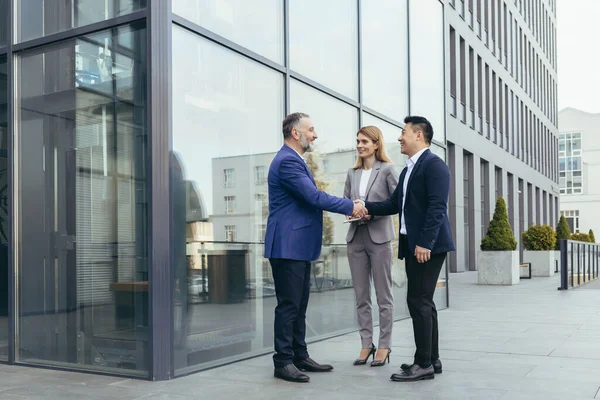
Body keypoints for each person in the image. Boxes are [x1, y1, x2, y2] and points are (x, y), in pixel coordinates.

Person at [264, 112, 368, 383]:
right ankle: (283, 361)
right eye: (311, 129)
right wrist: (351, 205)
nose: (315, 134)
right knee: (289, 306)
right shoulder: (287, 161)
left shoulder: (294, 160)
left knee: (298, 306)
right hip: (287, 246)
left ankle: (299, 355)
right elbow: (313, 196)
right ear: (295, 133)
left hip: (296, 246)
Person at [365, 116, 455, 382]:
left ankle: (423, 363)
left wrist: (425, 243)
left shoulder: (434, 165)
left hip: (428, 247)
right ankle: (431, 359)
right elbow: (394, 205)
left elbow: (437, 207)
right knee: (424, 302)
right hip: (415, 245)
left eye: (403, 132)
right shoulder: (408, 169)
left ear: (418, 135)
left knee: (418, 301)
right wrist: (365, 207)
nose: (399, 137)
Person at [343, 126, 399, 367]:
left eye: (365, 141)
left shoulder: (387, 170)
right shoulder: (351, 172)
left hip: (379, 239)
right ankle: (367, 343)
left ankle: (384, 345)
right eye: (358, 141)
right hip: (355, 238)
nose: (360, 145)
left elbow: (396, 203)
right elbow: (346, 202)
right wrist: (351, 211)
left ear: (376, 144)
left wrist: (371, 213)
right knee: (361, 296)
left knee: (383, 296)